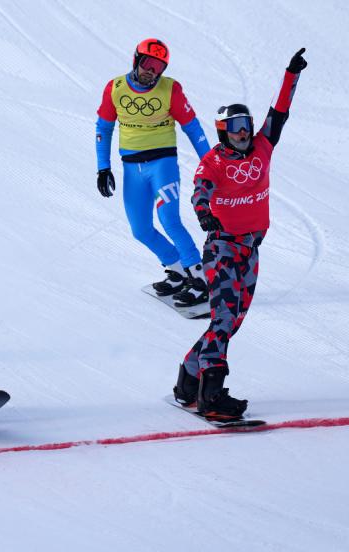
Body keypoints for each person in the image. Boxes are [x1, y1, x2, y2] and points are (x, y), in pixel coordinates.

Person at [173, 49, 308, 419]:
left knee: (232, 321)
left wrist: (290, 76)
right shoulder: (213, 162)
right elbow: (200, 190)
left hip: (251, 248)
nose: (244, 132)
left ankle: (188, 376)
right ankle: (211, 396)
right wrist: (204, 214)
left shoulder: (262, 147)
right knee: (222, 318)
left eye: (245, 124)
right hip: (222, 249)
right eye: (235, 127)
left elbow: (279, 114)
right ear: (223, 131)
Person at [96, 38, 211, 305]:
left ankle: (200, 277)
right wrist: (103, 168)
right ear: (136, 60)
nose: (152, 71)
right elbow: (103, 129)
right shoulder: (115, 88)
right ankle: (177, 269)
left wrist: (211, 163)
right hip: (132, 167)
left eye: (159, 67)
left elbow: (193, 128)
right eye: (148, 64)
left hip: (163, 163)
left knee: (169, 219)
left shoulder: (170, 89)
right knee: (141, 229)